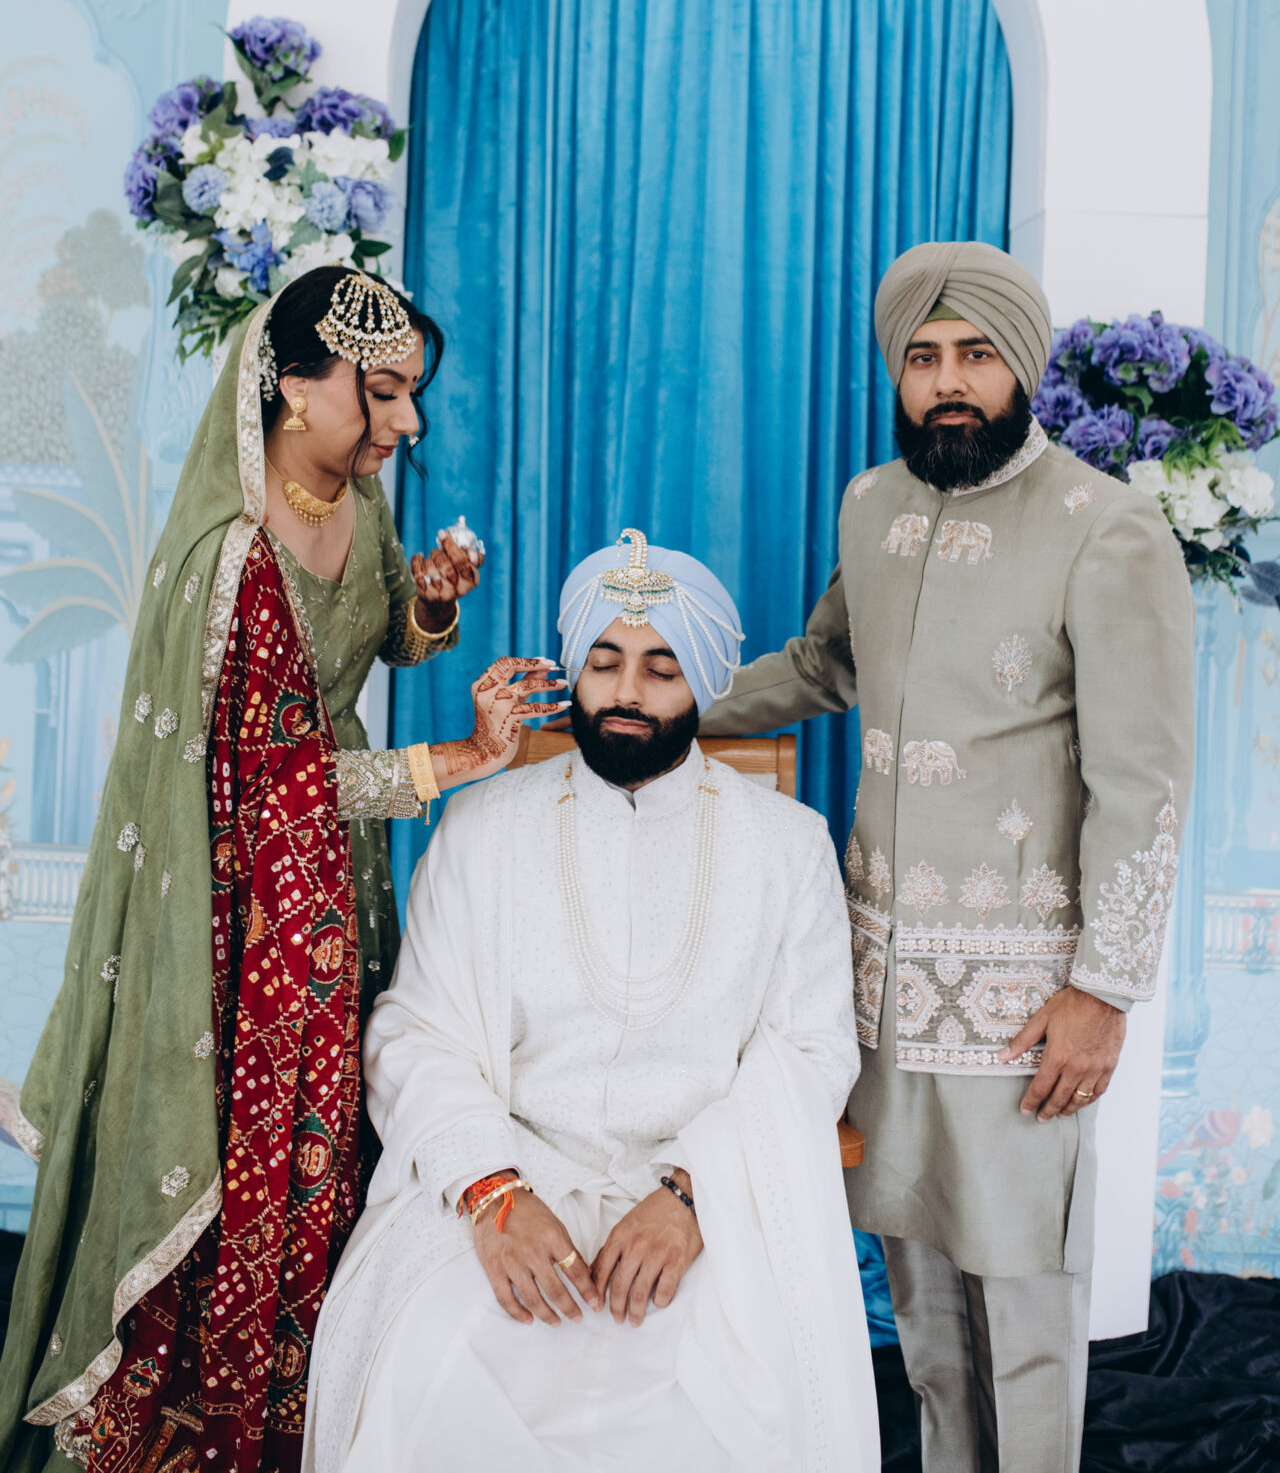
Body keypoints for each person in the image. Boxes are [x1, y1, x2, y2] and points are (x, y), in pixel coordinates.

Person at [0, 267, 566, 1473]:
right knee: (235, 1164)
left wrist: (428, 605)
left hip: (333, 884)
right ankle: (195, 1436)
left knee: (329, 1156)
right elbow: (265, 788)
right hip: (235, 911)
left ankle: (301, 1418)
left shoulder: (355, 496)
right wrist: (461, 759)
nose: (408, 422)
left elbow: (376, 641)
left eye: (410, 393)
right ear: (297, 388)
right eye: (384, 392)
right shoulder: (236, 557)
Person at [702, 241, 1196, 1473]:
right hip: (876, 991)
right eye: (922, 359)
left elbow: (1142, 784)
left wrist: (1102, 992)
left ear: (1019, 365)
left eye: (974, 355)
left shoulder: (1105, 526)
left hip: (1023, 1006)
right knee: (920, 1314)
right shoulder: (872, 504)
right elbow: (825, 662)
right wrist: (670, 708)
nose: (947, 384)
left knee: (1023, 1314)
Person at [303, 529, 879, 1473]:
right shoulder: (484, 827)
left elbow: (814, 1051)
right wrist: (491, 1195)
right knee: (431, 1381)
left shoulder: (788, 845)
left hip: (700, 1198)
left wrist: (693, 1196)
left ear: (702, 682)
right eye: (604, 664)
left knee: (728, 1411)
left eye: (661, 669)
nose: (626, 694)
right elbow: (415, 1034)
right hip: (508, 1182)